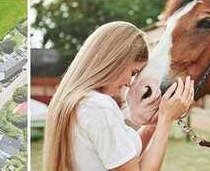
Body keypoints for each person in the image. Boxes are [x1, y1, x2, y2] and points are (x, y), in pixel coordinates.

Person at [43, 21, 195, 171]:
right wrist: (166, 120)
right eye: (133, 73)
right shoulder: (99, 107)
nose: (130, 83)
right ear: (115, 62)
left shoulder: (77, 101)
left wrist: (153, 124)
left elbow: (124, 156)